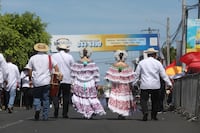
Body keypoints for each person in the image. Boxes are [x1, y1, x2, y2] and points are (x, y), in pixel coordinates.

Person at [135, 48, 172, 121]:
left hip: (145, 84)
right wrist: (169, 83)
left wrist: (134, 83)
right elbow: (163, 75)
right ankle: (153, 116)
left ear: (148, 55)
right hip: (155, 85)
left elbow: (136, 74)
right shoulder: (158, 63)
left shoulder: (141, 63)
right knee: (155, 101)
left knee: (143, 100)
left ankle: (145, 111)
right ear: (155, 55)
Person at [26, 43, 61, 121]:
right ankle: (45, 115)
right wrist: (56, 76)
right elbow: (56, 68)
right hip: (46, 81)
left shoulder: (32, 58)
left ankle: (37, 108)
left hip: (36, 81)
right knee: (46, 99)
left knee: (37, 97)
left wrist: (30, 79)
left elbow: (30, 70)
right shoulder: (49, 58)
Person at [71, 47, 106, 119]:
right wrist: (96, 83)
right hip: (90, 83)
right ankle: (92, 110)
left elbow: (73, 74)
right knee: (91, 97)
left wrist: (73, 84)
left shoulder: (77, 62)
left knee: (83, 98)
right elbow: (96, 74)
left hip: (80, 83)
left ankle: (86, 112)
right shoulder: (92, 62)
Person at [104, 50, 137, 119]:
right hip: (125, 86)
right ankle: (123, 113)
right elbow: (131, 77)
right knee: (124, 99)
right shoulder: (127, 66)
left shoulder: (114, 65)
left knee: (118, 98)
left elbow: (108, 75)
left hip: (117, 86)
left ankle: (120, 112)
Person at [51, 40, 74, 118]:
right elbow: (73, 68)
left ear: (58, 48)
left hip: (56, 78)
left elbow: (51, 67)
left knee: (55, 95)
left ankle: (56, 109)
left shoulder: (53, 56)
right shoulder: (70, 57)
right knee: (66, 96)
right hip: (67, 79)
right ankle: (65, 113)